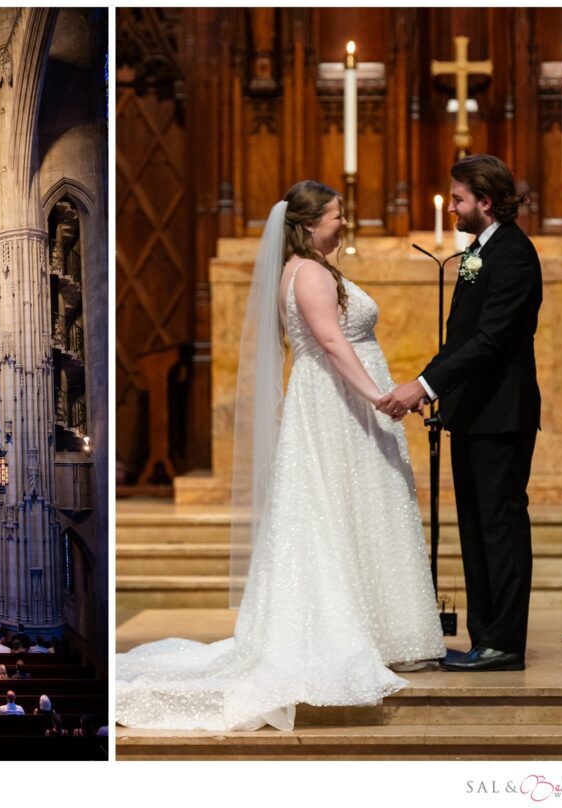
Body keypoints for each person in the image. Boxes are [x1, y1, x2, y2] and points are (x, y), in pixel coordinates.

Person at [116, 182, 445, 731]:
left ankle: (377, 627)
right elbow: (334, 342)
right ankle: (352, 633)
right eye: (337, 215)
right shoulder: (311, 274)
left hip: (333, 398)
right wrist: (377, 397)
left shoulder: (305, 266)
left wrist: (332, 254)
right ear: (311, 221)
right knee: (337, 512)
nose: (344, 222)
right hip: (340, 403)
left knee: (349, 512)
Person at [382, 155, 542, 673]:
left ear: (485, 202)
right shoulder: (479, 252)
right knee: (475, 527)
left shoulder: (514, 256)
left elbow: (493, 340)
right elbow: (460, 340)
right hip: (473, 413)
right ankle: (483, 638)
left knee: (500, 527)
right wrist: (425, 387)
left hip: (501, 415)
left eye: (457, 199)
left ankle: (504, 643)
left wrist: (424, 386)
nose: (450, 206)